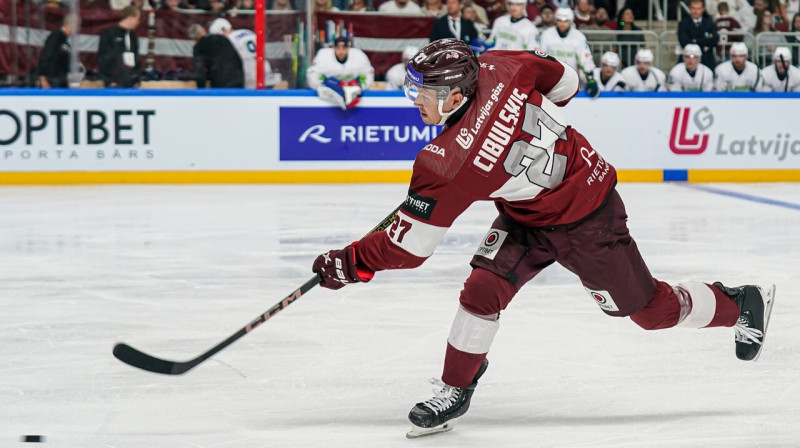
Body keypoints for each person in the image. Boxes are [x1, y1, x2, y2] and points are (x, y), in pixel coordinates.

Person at [310, 38, 776, 439]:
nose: (414, 99)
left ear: (454, 96)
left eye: (423, 92)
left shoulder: (445, 164)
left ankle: (739, 303)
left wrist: (348, 263)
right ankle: (456, 388)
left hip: (587, 218)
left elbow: (408, 249)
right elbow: (567, 83)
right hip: (529, 213)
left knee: (650, 313)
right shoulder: (499, 64)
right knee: (481, 290)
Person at [539, 7, 599, 95]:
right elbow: (540, 57)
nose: (562, 24)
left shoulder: (578, 36)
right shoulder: (547, 35)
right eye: (559, 20)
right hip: (550, 79)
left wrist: (590, 78)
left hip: (571, 79)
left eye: (565, 21)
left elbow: (585, 59)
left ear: (570, 21)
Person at [306, 36, 375, 109]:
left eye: (344, 48)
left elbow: (368, 73)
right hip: (330, 99)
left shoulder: (359, 56)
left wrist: (360, 86)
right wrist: (327, 85)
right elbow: (312, 75)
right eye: (338, 48)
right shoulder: (323, 56)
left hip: (353, 94)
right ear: (334, 48)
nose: (341, 51)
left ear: (348, 48)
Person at [208, 18, 272, 89]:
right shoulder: (249, 32)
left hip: (249, 77)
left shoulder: (229, 40)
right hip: (266, 73)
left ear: (223, 30)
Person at [185, 23, 244, 88]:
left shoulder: (199, 47)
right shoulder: (221, 38)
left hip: (221, 83)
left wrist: (201, 92)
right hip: (239, 78)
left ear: (193, 39)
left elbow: (199, 74)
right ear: (204, 30)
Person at [97, 5, 142, 88]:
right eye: (137, 19)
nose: (138, 22)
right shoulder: (109, 34)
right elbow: (102, 59)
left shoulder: (133, 38)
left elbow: (136, 59)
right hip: (114, 84)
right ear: (130, 18)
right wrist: (109, 81)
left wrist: (137, 80)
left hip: (131, 84)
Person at [678, 0, 719, 69]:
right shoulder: (683, 23)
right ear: (689, 8)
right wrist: (705, 42)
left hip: (707, 60)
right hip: (688, 60)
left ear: (703, 9)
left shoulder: (709, 23)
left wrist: (695, 40)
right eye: (693, 8)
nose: (695, 11)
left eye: (698, 8)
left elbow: (714, 40)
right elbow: (684, 42)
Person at [38, 15, 76, 88]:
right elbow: (45, 56)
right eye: (78, 25)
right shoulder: (55, 37)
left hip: (60, 79)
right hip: (53, 80)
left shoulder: (64, 39)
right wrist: (43, 78)